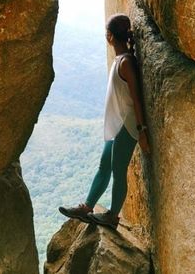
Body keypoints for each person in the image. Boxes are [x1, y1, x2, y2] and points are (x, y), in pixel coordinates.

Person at [58, 13, 150, 230]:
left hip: (127, 125)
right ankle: (87, 206)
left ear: (109, 36)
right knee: (104, 166)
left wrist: (142, 131)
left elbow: (137, 99)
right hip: (117, 124)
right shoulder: (121, 59)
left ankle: (112, 216)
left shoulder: (126, 62)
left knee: (118, 171)